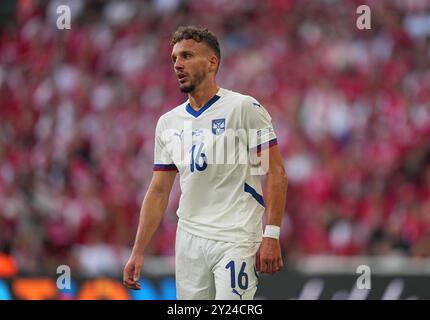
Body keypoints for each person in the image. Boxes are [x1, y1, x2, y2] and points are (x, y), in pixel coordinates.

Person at [123, 26, 288, 300]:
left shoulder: (244, 108)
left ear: (212, 62)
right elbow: (159, 191)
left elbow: (277, 172)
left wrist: (271, 234)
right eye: (174, 58)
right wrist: (138, 250)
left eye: (186, 56)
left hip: (236, 237)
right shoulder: (168, 123)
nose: (177, 64)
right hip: (189, 240)